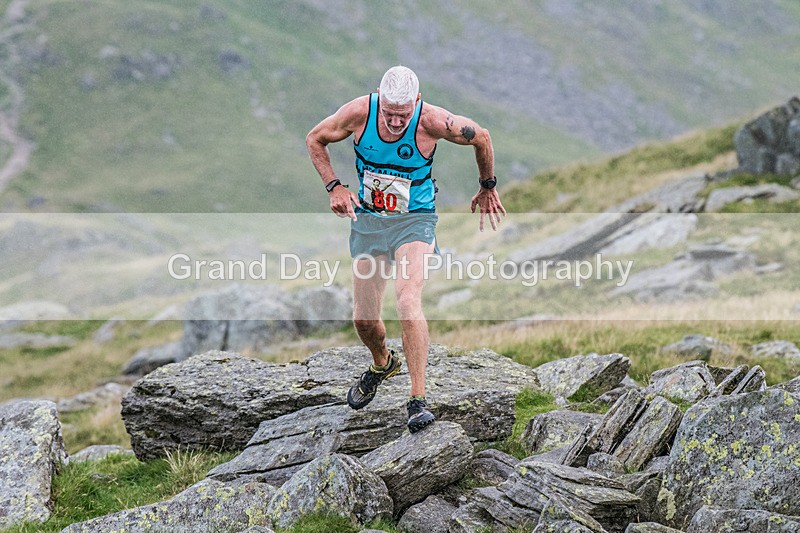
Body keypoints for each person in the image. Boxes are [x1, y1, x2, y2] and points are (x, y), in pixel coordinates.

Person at [306, 65, 505, 433]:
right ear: (380, 101)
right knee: (364, 321)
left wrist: (487, 185)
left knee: (407, 299)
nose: (396, 122)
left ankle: (417, 400)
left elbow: (483, 137)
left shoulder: (433, 121)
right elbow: (315, 138)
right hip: (369, 222)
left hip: (415, 219)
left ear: (416, 102)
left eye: (403, 114)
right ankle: (383, 363)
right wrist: (334, 186)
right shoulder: (359, 113)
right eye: (389, 114)